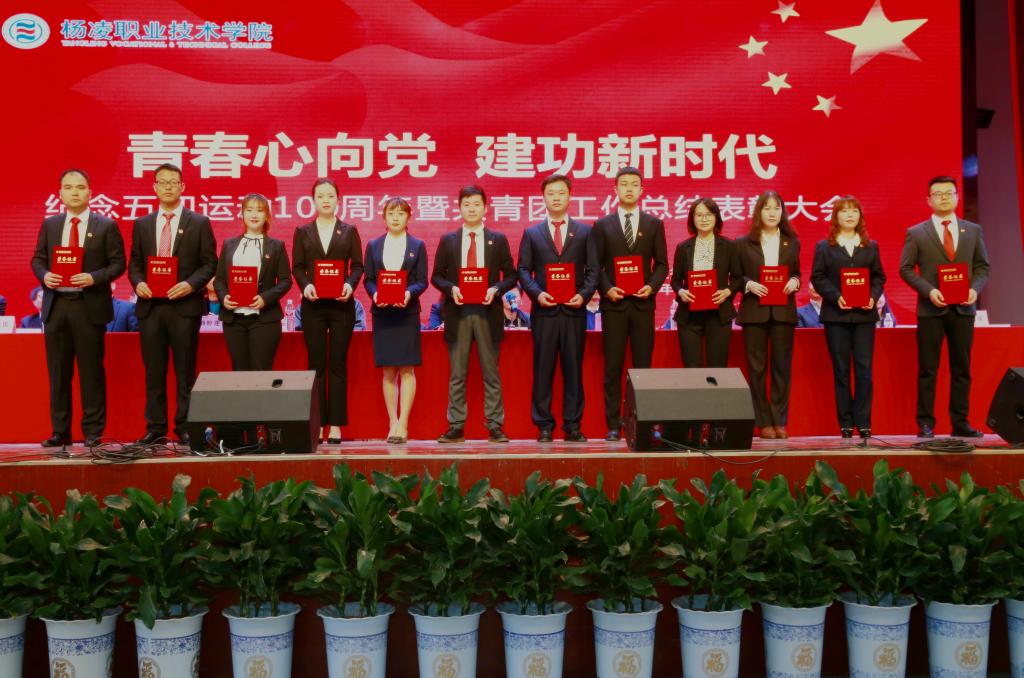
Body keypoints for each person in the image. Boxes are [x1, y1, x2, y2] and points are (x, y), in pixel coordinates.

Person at [30, 168, 126, 447]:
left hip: (88, 306)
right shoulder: (51, 224)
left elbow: (118, 263)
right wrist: (45, 275)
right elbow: (37, 259)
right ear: (60, 193)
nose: (75, 192)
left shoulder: (105, 225)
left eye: (80, 187)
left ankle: (93, 433)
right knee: (58, 373)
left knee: (91, 373)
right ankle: (60, 432)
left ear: (90, 193)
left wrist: (94, 277)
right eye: (69, 187)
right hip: (57, 305)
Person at [128, 163, 217, 445]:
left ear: (182, 187)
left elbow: (209, 263)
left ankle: (185, 426)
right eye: (162, 182)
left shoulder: (199, 222)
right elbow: (135, 263)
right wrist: (138, 282)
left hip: (184, 307)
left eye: (173, 182)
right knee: (154, 371)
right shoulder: (142, 224)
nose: (168, 186)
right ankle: (155, 427)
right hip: (150, 308)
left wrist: (191, 284)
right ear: (154, 187)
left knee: (185, 371)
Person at [899, 175, 991, 439]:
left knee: (962, 369)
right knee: (928, 369)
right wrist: (929, 291)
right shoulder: (917, 232)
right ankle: (925, 423)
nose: (943, 198)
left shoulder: (972, 230)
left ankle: (960, 422)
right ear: (928, 200)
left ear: (957, 197)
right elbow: (906, 269)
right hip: (931, 310)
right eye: (937, 194)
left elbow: (982, 267)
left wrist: (974, 289)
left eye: (948, 193)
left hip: (963, 309)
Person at [431, 185, 516, 443]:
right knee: (457, 375)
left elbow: (511, 275)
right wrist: (452, 288)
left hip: (488, 313)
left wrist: (496, 289)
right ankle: (456, 426)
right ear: (459, 208)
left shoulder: (497, 239)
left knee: (491, 374)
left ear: (485, 208)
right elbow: (436, 276)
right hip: (457, 313)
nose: (471, 209)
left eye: (476, 204)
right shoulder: (449, 240)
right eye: (466, 204)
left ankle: (495, 426)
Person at [517, 173, 598, 443]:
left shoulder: (585, 232)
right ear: (543, 197)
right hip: (545, 311)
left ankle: (573, 426)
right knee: (543, 370)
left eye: (561, 192)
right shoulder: (532, 233)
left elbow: (593, 269)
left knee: (573, 370)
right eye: (551, 193)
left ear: (570, 196)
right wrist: (537, 294)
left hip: (574, 311)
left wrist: (583, 296)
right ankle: (543, 425)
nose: (556, 198)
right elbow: (523, 270)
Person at [589, 166, 668, 441]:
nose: (629, 189)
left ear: (642, 190)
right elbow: (595, 265)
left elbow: (661, 264)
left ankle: (642, 421)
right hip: (614, 306)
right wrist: (607, 289)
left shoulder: (654, 224)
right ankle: (614, 424)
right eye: (624, 184)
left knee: (643, 367)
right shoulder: (602, 225)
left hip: (643, 306)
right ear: (615, 189)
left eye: (635, 184)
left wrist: (652, 286)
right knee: (613, 367)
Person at [291, 178, 364, 444]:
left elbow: (358, 266)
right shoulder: (303, 231)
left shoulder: (349, 230)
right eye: (320, 196)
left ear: (337, 199)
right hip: (313, 306)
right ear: (313, 200)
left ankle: (336, 425)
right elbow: (297, 267)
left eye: (330, 196)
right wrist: (306, 285)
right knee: (317, 365)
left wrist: (350, 284)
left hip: (342, 305)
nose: (325, 200)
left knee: (338, 365)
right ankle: (318, 422)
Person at [810, 196, 886, 439]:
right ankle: (845, 423)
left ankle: (863, 422)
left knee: (864, 370)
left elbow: (879, 277)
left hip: (864, 316)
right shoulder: (824, 246)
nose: (850, 215)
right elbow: (817, 277)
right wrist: (836, 297)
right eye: (844, 211)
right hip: (836, 316)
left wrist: (873, 297)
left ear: (860, 216)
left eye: (854, 211)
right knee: (841, 371)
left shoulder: (870, 246)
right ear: (836, 216)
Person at [735, 190, 801, 440]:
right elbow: (736, 276)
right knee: (757, 369)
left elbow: (796, 273)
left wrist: (795, 281)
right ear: (758, 212)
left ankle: (779, 420)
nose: (772, 213)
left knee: (782, 367)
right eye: (767, 208)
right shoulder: (743, 243)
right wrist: (749, 284)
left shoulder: (792, 241)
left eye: (777, 208)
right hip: (755, 311)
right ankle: (763, 421)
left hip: (783, 311)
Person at [363, 197, 428, 444]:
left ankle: (404, 423)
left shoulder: (417, 245)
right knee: (389, 370)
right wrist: (375, 294)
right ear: (384, 217)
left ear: (408, 217)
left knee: (408, 369)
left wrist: (408, 293)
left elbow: (422, 280)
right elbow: (369, 279)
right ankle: (392, 422)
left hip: (407, 312)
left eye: (401, 213)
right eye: (391, 213)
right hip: (383, 313)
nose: (396, 217)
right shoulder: (373, 245)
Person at [214, 193, 292, 371]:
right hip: (233, 319)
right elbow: (219, 280)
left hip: (264, 319)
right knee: (239, 372)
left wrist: (265, 298)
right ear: (242, 214)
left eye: (260, 210)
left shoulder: (276, 246)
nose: (254, 215)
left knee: (260, 373)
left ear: (267, 216)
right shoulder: (229, 244)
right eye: (249, 210)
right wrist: (224, 297)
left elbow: (285, 281)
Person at [670, 198, 741, 367]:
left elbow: (738, 278)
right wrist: (681, 292)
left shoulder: (729, 246)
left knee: (717, 369)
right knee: (692, 369)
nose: (704, 219)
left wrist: (727, 291)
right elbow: (675, 280)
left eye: (709, 214)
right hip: (689, 316)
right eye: (699, 215)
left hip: (719, 314)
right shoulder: (683, 247)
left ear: (716, 217)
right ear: (692, 218)